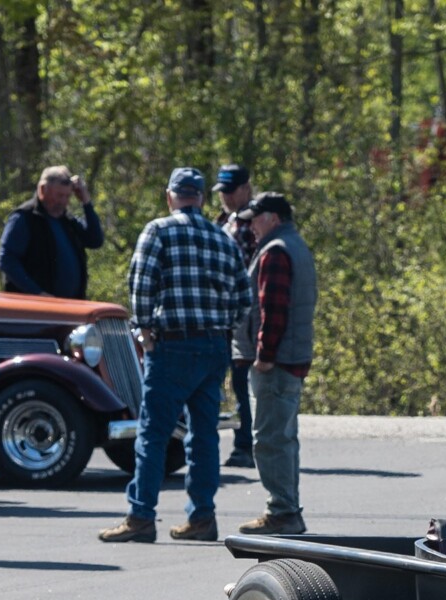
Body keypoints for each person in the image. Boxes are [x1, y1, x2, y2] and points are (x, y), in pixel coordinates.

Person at [97, 168, 251, 543]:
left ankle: (141, 516)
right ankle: (201, 517)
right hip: (214, 345)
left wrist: (144, 330)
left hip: (172, 344)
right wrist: (222, 326)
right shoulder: (223, 238)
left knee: (153, 433)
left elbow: (141, 282)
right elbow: (244, 298)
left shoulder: (159, 230)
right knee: (204, 435)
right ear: (199, 197)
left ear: (170, 196)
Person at [234, 193, 318, 536]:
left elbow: (273, 310)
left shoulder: (275, 251)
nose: (251, 225)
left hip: (277, 363)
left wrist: (264, 356)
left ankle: (282, 511)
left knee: (270, 439)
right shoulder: (293, 245)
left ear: (273, 218)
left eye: (256, 218)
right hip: (291, 359)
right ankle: (286, 509)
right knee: (283, 438)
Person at [0, 166, 103, 299]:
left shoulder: (68, 221)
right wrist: (37, 293)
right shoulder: (25, 218)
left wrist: (86, 201)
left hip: (71, 307)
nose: (63, 201)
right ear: (42, 190)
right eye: (59, 195)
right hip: (35, 309)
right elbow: (6, 260)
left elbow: (95, 240)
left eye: (67, 196)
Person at [212, 164, 258, 469]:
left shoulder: (254, 221)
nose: (226, 197)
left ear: (246, 188)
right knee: (226, 379)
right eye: (222, 192)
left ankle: (246, 444)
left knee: (243, 379)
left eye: (231, 191)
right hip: (222, 312)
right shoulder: (221, 221)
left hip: (247, 311)